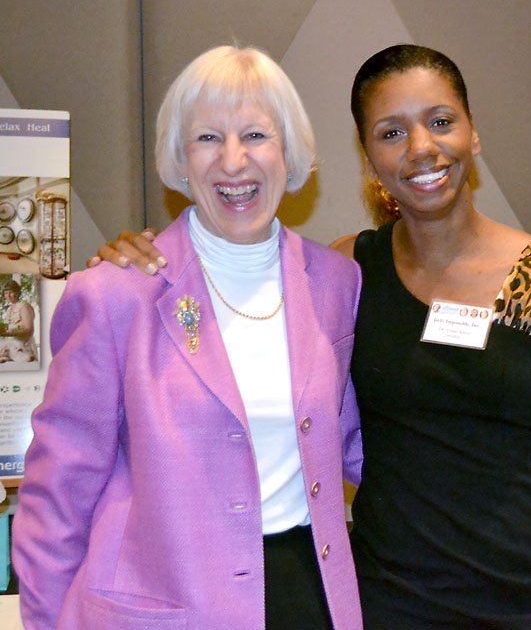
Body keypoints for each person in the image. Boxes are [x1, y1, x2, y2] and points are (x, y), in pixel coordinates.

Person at [92, 44, 531, 629]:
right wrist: (137, 259)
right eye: (391, 132)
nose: (422, 148)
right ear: (369, 159)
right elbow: (229, 291)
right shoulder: (346, 275)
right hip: (388, 601)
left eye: (441, 122)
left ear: (474, 135)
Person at [12, 45, 364, 630]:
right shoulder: (114, 294)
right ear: (179, 158)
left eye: (255, 134)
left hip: (307, 596)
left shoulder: (334, 283)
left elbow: (353, 438)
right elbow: (56, 495)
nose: (233, 161)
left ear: (289, 152)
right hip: (162, 610)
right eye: (206, 139)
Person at [0, 278, 37, 363]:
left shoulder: (24, 306)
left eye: (11, 292)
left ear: (17, 293)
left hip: (23, 345)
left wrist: (8, 333)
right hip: (10, 344)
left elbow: (29, 330)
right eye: (6, 293)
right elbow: (7, 328)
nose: (8, 295)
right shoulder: (9, 309)